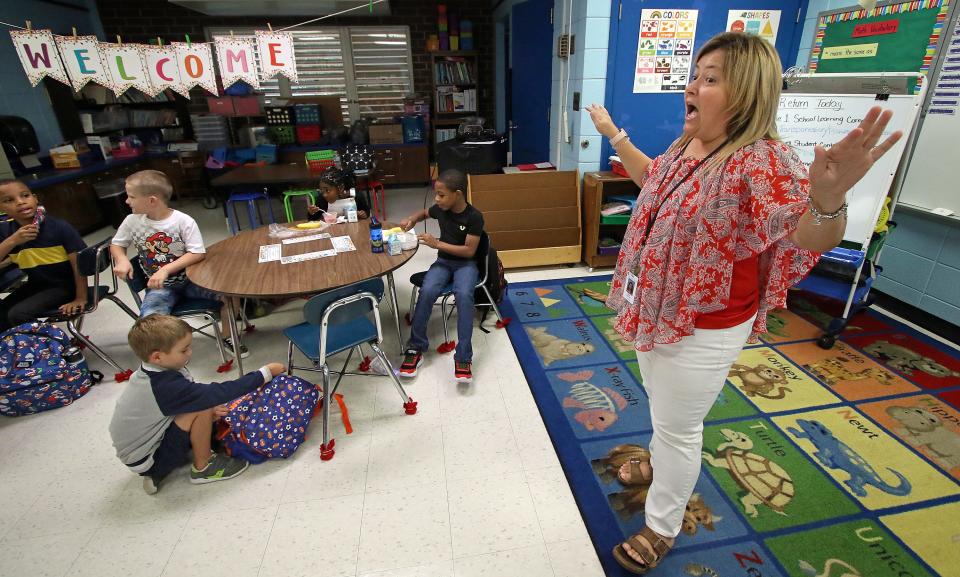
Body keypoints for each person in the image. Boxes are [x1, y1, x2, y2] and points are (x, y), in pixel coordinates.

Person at [585, 32, 902, 574]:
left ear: (747, 95)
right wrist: (615, 135)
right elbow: (651, 181)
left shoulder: (762, 160)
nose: (693, 86)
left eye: (711, 79)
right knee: (662, 408)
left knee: (680, 426)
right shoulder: (689, 146)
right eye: (696, 75)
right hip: (657, 308)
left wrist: (827, 199)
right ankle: (659, 461)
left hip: (705, 325)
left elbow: (804, 235)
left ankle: (661, 525)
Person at [109, 314, 286, 494]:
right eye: (184, 350)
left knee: (204, 405)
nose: (190, 353)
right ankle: (204, 467)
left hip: (142, 452)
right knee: (202, 404)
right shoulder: (164, 386)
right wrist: (263, 374)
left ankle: (160, 470)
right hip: (149, 459)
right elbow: (217, 393)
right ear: (157, 357)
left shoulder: (152, 372)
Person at [109, 170, 247, 358]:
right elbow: (117, 244)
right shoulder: (131, 221)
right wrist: (122, 259)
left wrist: (165, 269)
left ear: (152, 200)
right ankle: (165, 358)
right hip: (160, 288)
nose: (127, 201)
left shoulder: (183, 221)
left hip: (193, 281)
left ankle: (227, 335)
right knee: (150, 324)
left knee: (230, 295)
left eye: (131, 196)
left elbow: (197, 253)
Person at [398, 169, 483, 384]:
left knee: (464, 295)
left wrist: (437, 244)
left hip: (466, 264)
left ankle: (463, 356)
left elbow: (469, 251)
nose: (437, 199)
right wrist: (412, 219)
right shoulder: (441, 209)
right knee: (427, 291)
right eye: (436, 194)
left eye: (442, 194)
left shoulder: (474, 217)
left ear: (458, 194)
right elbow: (424, 212)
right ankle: (415, 347)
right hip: (443, 263)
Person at [0, 180, 87, 332]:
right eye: (9, 200)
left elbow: (80, 264)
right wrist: (13, 240)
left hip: (64, 286)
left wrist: (80, 297)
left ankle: (49, 349)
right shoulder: (7, 231)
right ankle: (14, 349)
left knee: (18, 314)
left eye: (25, 196)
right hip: (37, 285)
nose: (20, 202)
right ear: (1, 208)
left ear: (35, 198)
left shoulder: (59, 227)